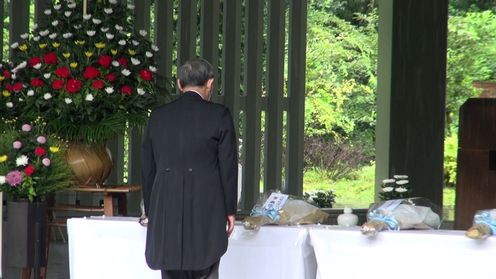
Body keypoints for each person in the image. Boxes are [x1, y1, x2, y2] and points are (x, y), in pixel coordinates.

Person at [141, 58, 238, 279]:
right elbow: (228, 167)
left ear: (179, 83)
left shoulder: (158, 116)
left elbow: (148, 168)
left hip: (166, 205)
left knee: (171, 269)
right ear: (210, 84)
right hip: (207, 205)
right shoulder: (219, 115)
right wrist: (229, 210)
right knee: (206, 266)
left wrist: (150, 210)